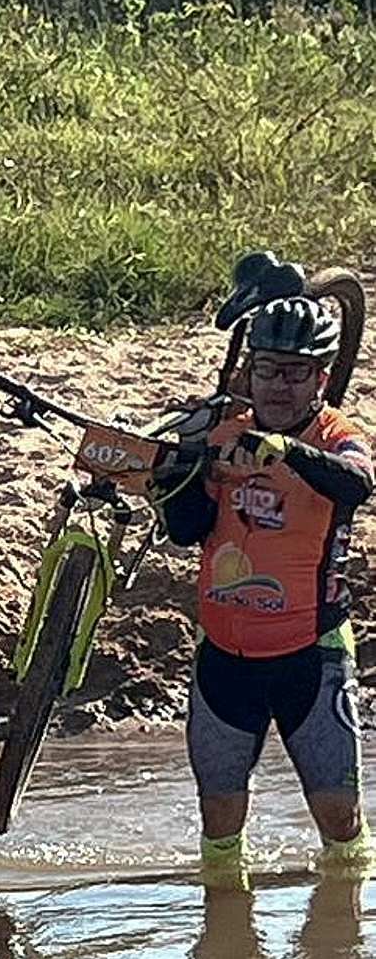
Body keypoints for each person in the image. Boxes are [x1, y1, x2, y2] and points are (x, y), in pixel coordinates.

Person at [152, 293, 374, 889]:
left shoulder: (337, 435)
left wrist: (288, 452)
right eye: (268, 370)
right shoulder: (226, 433)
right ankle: (225, 918)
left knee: (340, 818)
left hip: (311, 653)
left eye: (296, 373)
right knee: (219, 821)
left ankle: (344, 919)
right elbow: (187, 531)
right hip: (225, 658)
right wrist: (177, 477)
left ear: (320, 380)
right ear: (249, 373)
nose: (279, 386)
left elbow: (358, 484)